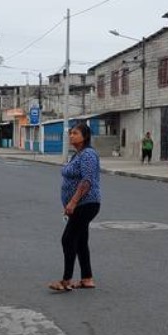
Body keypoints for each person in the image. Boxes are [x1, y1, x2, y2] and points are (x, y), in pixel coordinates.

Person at [48, 123, 102, 292]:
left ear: (84, 136)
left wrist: (72, 202)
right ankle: (87, 279)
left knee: (68, 239)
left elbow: (86, 181)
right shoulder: (78, 155)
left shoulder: (88, 155)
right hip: (81, 204)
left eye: (75, 133)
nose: (71, 136)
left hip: (85, 204)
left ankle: (66, 281)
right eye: (70, 133)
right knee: (80, 241)